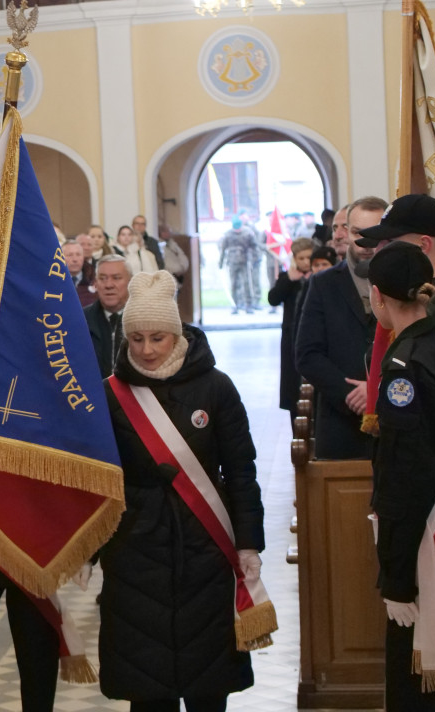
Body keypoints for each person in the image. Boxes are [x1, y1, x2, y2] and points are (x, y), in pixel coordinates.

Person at [100, 270, 266, 712]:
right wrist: (89, 545)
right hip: (134, 546)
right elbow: (96, 475)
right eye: (136, 339)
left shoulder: (216, 388)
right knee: (147, 689)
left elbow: (241, 471)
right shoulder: (112, 395)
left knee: (207, 685)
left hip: (206, 546)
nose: (147, 350)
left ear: (176, 334)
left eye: (157, 338)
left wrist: (249, 543)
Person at [366, 242, 435, 711]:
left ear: (377, 297)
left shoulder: (405, 368)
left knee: (422, 687)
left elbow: (405, 480)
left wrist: (397, 579)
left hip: (433, 543)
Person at [295, 196, 387, 460]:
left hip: (396, 423)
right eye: (359, 232)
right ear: (346, 231)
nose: (366, 242)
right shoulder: (323, 285)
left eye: (376, 232)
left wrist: (377, 390)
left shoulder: (404, 282)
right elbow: (307, 355)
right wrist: (352, 395)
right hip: (341, 424)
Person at [268, 238, 314, 426]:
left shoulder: (319, 277)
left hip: (311, 337)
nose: (305, 262)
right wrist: (289, 280)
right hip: (291, 338)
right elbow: (273, 299)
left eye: (309, 258)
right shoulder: (288, 277)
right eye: (301, 258)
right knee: (292, 386)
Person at [83, 255, 132, 378]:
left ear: (130, 282)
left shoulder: (145, 321)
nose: (108, 285)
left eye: (116, 278)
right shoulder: (81, 321)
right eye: (102, 278)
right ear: (95, 283)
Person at [218, 219, 256, 314]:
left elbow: (254, 247)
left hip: (245, 261)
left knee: (247, 283)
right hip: (232, 262)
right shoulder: (228, 235)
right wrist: (221, 262)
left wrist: (253, 260)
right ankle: (235, 305)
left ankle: (248, 305)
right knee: (234, 284)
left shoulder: (248, 233)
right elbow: (223, 249)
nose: (237, 231)